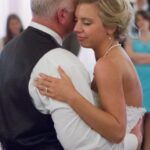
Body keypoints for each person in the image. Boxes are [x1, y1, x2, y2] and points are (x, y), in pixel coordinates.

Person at [29, 0, 146, 149]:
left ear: (110, 27)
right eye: (77, 20)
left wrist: (70, 95)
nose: (77, 28)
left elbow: (117, 132)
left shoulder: (106, 65)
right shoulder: (115, 55)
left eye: (87, 23)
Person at [0, 0, 79, 149]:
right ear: (62, 15)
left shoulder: (7, 50)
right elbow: (79, 142)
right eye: (76, 12)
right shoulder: (60, 61)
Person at [126, 10, 150, 150]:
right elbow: (130, 56)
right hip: (137, 79)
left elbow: (135, 56)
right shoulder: (131, 39)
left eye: (143, 20)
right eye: (138, 20)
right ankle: (136, 146)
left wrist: (138, 57)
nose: (141, 23)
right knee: (137, 117)